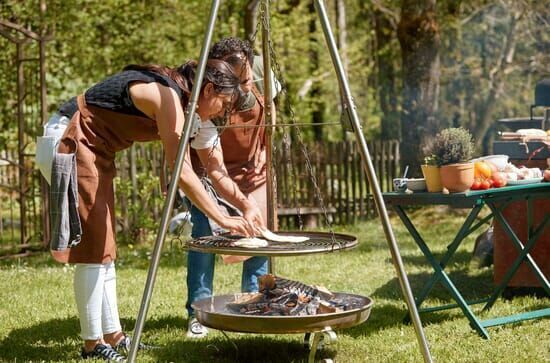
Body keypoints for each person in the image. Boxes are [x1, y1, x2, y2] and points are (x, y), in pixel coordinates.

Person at [47, 59, 258, 361]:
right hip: (70, 136)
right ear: (209, 89)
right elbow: (181, 171)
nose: (222, 112)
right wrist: (222, 217)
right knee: (94, 249)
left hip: (97, 149)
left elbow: (212, 168)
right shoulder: (167, 97)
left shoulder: (185, 107)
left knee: (105, 247)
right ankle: (92, 345)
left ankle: (114, 336)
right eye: (223, 103)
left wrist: (244, 205)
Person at [184, 37, 280, 338]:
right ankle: (199, 311)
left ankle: (253, 306)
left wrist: (266, 159)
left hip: (253, 169)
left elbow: (270, 119)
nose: (245, 87)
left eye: (248, 79)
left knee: (259, 233)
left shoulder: (263, 71)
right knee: (204, 234)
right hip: (207, 170)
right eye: (239, 82)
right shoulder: (203, 82)